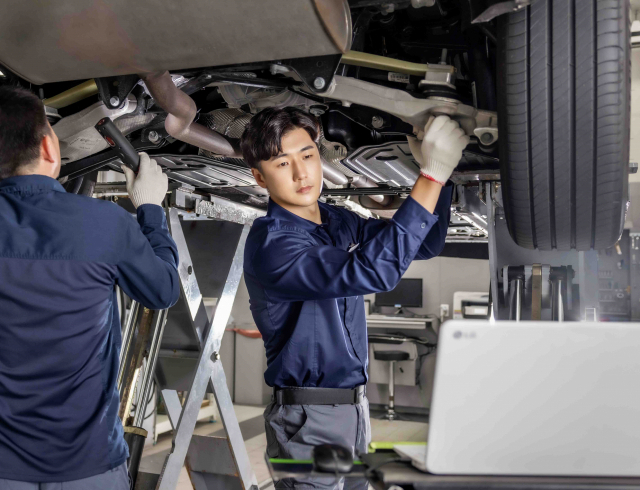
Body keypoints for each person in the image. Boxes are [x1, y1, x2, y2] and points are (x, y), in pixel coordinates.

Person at [240, 107, 469, 489]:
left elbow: (422, 244)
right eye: (283, 163)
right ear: (259, 177)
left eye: (308, 156)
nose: (301, 173)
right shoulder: (272, 244)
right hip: (306, 420)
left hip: (353, 411)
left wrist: (435, 178)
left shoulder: (337, 221)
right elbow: (373, 271)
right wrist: (431, 175)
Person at [0, 85, 180, 488]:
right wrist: (150, 210)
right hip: (89, 463)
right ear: (49, 147)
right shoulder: (103, 222)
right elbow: (163, 290)